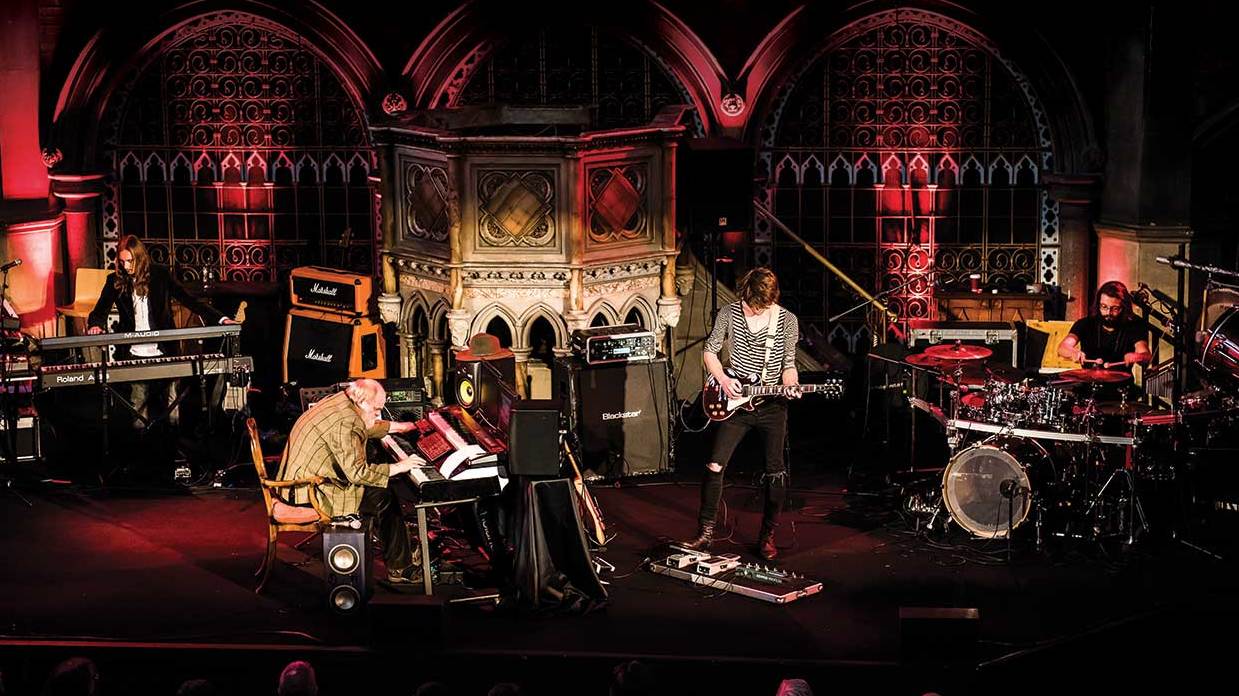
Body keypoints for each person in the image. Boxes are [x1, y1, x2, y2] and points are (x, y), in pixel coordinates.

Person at [682, 267, 800, 561]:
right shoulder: (729, 313)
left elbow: (788, 365)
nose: (755, 310)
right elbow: (709, 352)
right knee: (714, 465)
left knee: (775, 472)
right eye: (751, 304)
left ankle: (767, 536)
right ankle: (705, 533)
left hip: (771, 406)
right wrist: (723, 379)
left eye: (761, 306)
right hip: (735, 404)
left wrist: (791, 385)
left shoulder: (786, 321)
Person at [276, 379, 426, 583]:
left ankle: (400, 550)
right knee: (384, 497)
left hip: (300, 480)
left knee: (381, 487)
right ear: (362, 401)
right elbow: (358, 473)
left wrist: (398, 427)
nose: (377, 414)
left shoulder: (343, 400)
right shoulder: (346, 422)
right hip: (308, 491)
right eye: (376, 409)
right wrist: (401, 466)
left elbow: (362, 426)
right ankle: (400, 568)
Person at [86, 235, 238, 424]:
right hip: (133, 354)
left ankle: (171, 447)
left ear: (140, 258)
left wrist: (221, 319)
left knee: (170, 405)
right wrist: (95, 325)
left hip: (165, 350)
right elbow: (100, 310)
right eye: (122, 261)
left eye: (130, 261)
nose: (125, 266)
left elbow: (189, 299)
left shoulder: (160, 275)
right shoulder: (115, 281)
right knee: (137, 405)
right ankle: (142, 447)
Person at [1057, 280, 1152, 372]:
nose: (1108, 313)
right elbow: (1063, 347)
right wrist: (1073, 352)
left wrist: (1138, 356)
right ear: (1098, 305)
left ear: (1124, 308)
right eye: (1104, 307)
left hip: (1121, 384)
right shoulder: (1085, 324)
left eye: (1115, 308)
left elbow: (1146, 355)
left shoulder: (1134, 326)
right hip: (1089, 383)